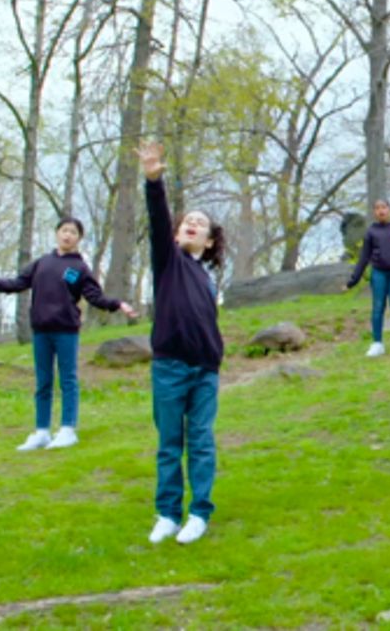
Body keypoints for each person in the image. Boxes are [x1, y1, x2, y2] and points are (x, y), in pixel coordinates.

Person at [0, 219, 138, 451]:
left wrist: (118, 304)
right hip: (41, 331)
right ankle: (42, 432)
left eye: (73, 232)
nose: (68, 235)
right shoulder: (41, 263)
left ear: (78, 239)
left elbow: (95, 297)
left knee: (68, 379)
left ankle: (68, 429)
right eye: (64, 231)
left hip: (66, 330)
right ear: (57, 233)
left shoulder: (79, 268)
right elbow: (16, 284)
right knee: (43, 381)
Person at [138, 141, 226, 545]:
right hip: (170, 367)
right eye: (186, 220)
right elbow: (157, 219)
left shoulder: (207, 280)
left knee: (201, 441)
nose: (192, 224)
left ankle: (199, 512)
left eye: (200, 223)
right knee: (170, 443)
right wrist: (154, 180)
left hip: (205, 371)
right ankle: (168, 514)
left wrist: (214, 359)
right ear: (177, 234)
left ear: (209, 242)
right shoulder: (168, 262)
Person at [346, 200, 390, 360]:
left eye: (384, 208)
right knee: (378, 306)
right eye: (377, 208)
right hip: (379, 273)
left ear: (389, 210)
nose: (381, 211)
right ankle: (377, 343)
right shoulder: (371, 232)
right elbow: (364, 257)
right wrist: (353, 280)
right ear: (374, 212)